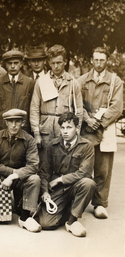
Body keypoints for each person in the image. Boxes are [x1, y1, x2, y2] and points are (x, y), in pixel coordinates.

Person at [78, 47, 123, 219]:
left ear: (107, 61)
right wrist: (87, 119)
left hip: (106, 127)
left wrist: (99, 123)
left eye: (102, 60)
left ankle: (100, 204)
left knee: (103, 168)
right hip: (85, 128)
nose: (98, 63)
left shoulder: (115, 81)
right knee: (83, 166)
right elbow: (76, 102)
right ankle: (80, 201)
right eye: (96, 60)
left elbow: (117, 107)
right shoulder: (82, 80)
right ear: (91, 60)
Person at [39, 112, 96, 237]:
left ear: (77, 128)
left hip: (75, 185)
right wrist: (44, 191)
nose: (65, 131)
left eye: (69, 127)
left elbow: (85, 172)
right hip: (58, 190)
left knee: (88, 183)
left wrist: (60, 179)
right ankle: (68, 208)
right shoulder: (52, 145)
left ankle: (72, 221)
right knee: (46, 223)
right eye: (63, 128)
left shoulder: (87, 146)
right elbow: (45, 172)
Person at [0, 109, 41, 232]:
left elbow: (33, 165)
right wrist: (11, 173)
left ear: (22, 123)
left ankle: (25, 217)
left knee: (35, 179)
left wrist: (13, 176)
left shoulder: (29, 140)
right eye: (10, 122)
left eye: (17, 122)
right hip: (0, 177)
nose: (14, 125)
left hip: (18, 178)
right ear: (6, 123)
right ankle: (9, 206)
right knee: (1, 219)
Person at [29, 45, 83, 161]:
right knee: (44, 164)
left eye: (59, 62)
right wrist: (36, 133)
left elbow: (79, 111)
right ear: (48, 63)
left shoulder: (73, 83)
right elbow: (34, 108)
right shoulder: (42, 81)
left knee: (64, 163)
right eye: (53, 63)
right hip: (45, 130)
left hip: (65, 129)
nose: (56, 66)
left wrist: (76, 132)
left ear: (65, 62)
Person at [0, 50, 35, 135]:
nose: (13, 66)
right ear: (5, 65)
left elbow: (32, 109)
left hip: (22, 130)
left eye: (16, 63)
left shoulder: (29, 83)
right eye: (10, 63)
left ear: (21, 64)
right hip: (2, 129)